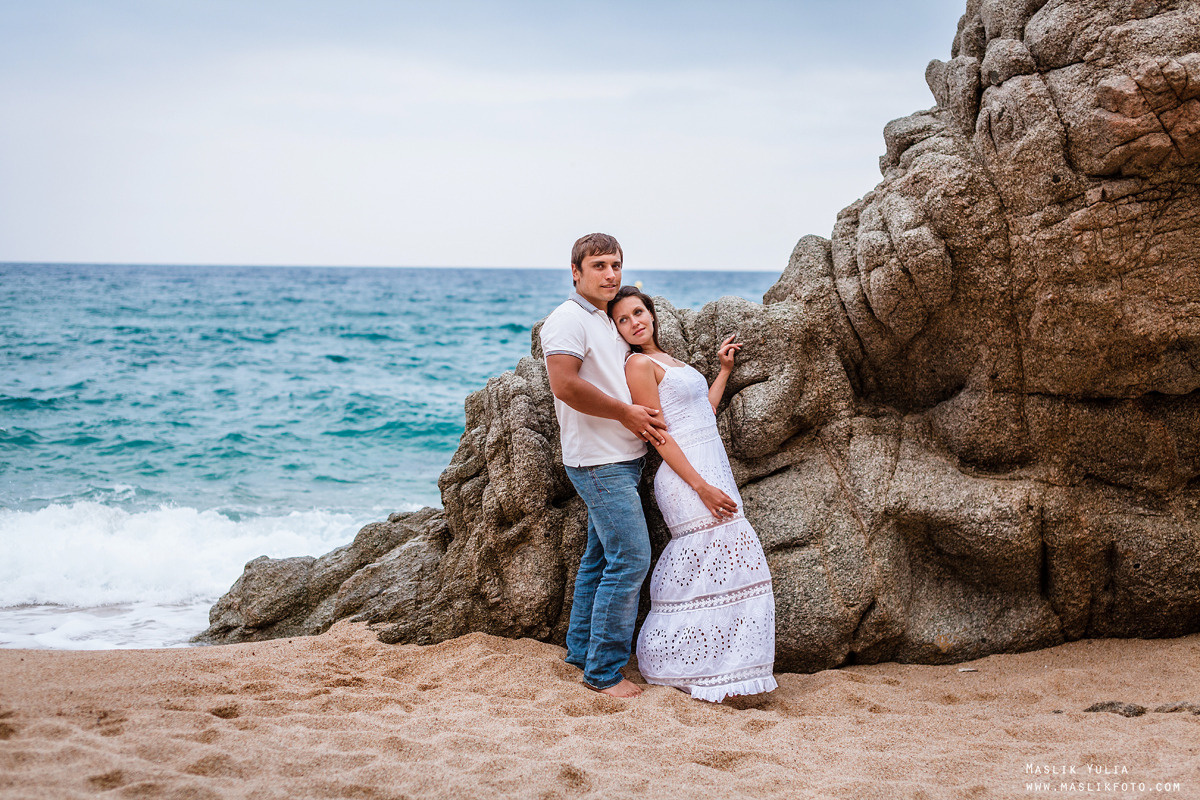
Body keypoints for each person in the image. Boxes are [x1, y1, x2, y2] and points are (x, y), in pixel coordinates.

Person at [608, 285, 777, 702]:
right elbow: (659, 436)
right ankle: (682, 667)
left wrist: (722, 371)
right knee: (703, 569)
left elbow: (703, 411)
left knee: (732, 566)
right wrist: (700, 487)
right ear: (618, 330)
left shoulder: (669, 359)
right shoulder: (638, 365)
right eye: (623, 320)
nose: (634, 323)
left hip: (709, 465)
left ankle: (726, 671)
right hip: (686, 477)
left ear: (651, 312)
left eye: (638, 312)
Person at [540, 233, 668, 698]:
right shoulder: (566, 320)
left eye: (615, 265)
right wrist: (627, 413)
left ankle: (580, 651)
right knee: (631, 558)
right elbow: (565, 386)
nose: (610, 274)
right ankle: (603, 673)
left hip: (624, 460)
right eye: (598, 266)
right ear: (576, 272)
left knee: (598, 559)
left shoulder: (605, 319)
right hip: (598, 464)